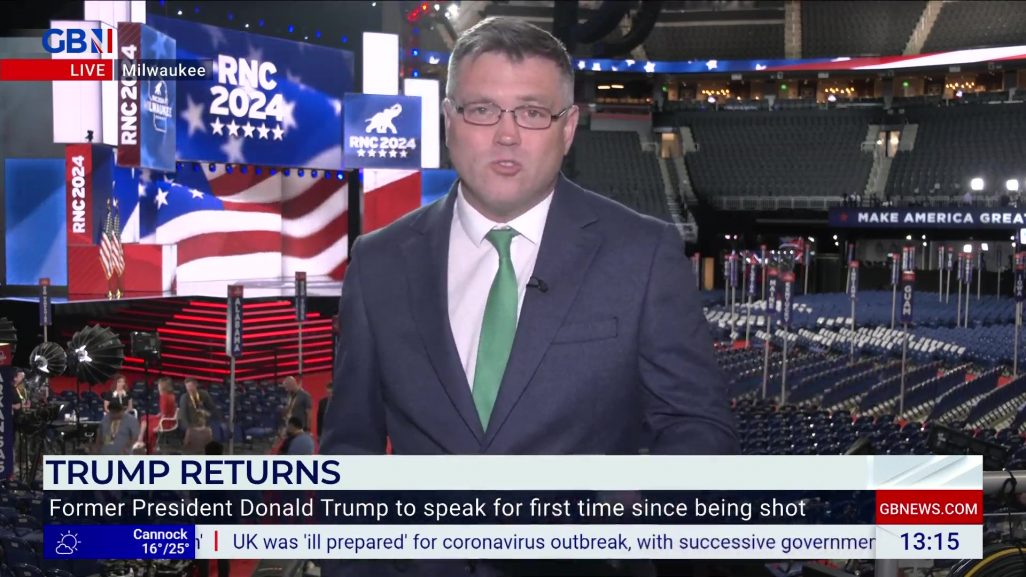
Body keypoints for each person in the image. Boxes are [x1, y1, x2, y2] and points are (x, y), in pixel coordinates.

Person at [321, 16, 736, 576]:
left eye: (533, 112)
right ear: (448, 120)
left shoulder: (642, 253)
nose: (507, 134)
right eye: (482, 109)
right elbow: (350, 451)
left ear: (568, 129)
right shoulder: (378, 263)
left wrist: (634, 511)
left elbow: (698, 428)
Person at [137, 377, 178, 452]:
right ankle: (141, 440)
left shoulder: (164, 397)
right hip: (170, 420)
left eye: (159, 385)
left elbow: (164, 414)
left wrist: (158, 427)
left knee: (146, 422)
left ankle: (142, 442)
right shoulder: (172, 395)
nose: (158, 387)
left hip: (165, 422)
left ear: (163, 386)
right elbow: (166, 411)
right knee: (144, 417)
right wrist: (158, 415)